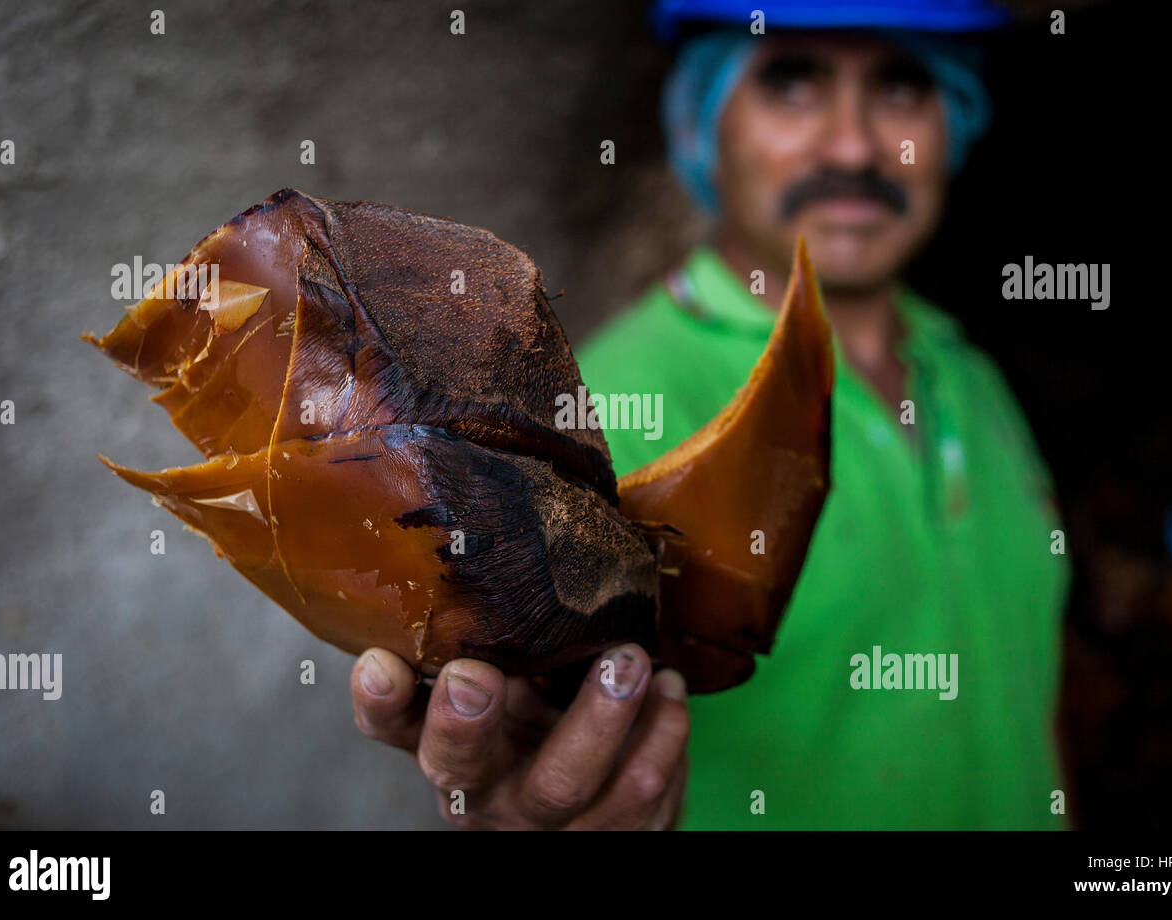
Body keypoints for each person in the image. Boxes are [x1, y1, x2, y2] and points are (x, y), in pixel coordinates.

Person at [350, 0, 1071, 830]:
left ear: (956, 121)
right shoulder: (598, 416)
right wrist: (526, 785)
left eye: (902, 87)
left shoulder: (968, 376)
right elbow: (534, 734)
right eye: (792, 84)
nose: (855, 145)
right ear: (702, 123)